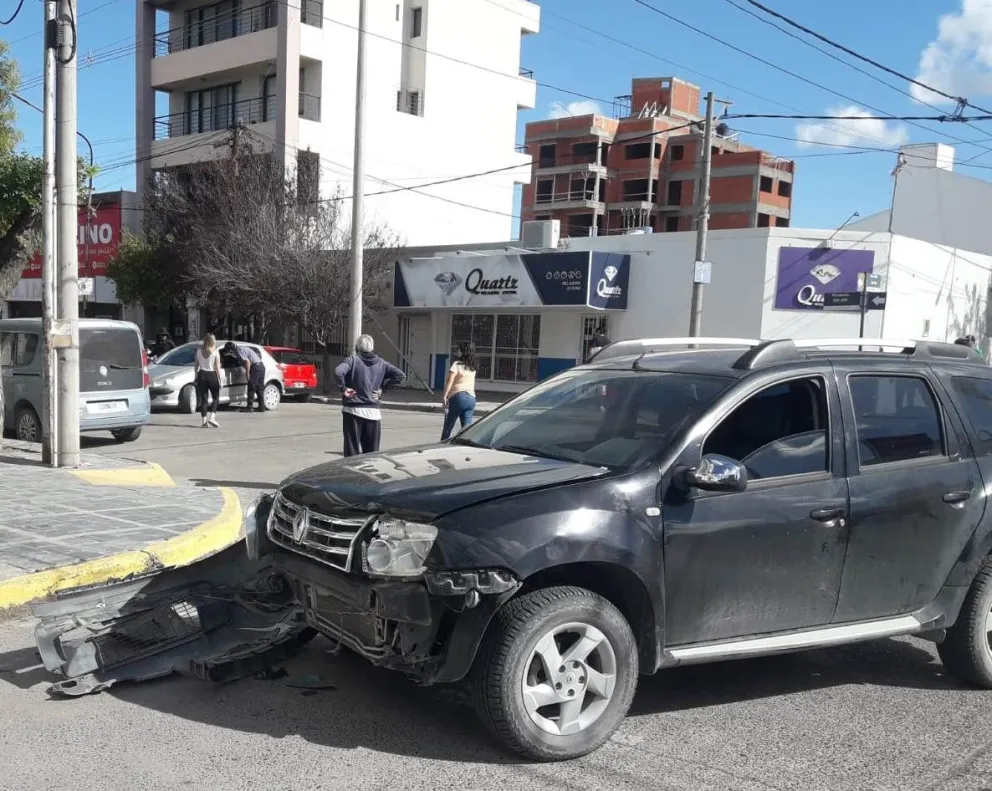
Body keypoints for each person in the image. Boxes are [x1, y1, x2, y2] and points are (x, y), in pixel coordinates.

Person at [335, 334, 406, 457]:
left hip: (352, 411)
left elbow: (338, 372)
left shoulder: (352, 360)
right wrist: (383, 389)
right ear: (372, 347)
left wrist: (344, 389)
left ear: (357, 347)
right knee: (372, 455)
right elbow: (401, 376)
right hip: (373, 413)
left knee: (351, 453)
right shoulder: (382, 363)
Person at [441, 342, 477, 440]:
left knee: (448, 426)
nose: (457, 351)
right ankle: (467, 444)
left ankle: (442, 444)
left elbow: (450, 380)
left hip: (458, 397)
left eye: (458, 349)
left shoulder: (456, 364)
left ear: (462, 352)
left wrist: (445, 396)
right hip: (471, 398)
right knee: (467, 428)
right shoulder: (472, 367)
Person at [225, 341, 265, 413]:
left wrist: (247, 374)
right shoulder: (241, 348)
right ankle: (261, 407)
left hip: (255, 367)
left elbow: (247, 362)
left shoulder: (239, 351)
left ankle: (249, 408)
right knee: (259, 388)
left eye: (228, 351)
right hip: (261, 366)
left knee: (251, 387)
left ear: (231, 350)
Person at [194, 333, 223, 428]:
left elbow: (196, 365)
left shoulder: (199, 351)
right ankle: (212, 417)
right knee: (216, 397)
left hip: (202, 374)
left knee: (204, 399)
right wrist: (220, 380)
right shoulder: (215, 352)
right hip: (212, 375)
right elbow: (217, 368)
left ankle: (204, 421)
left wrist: (196, 376)